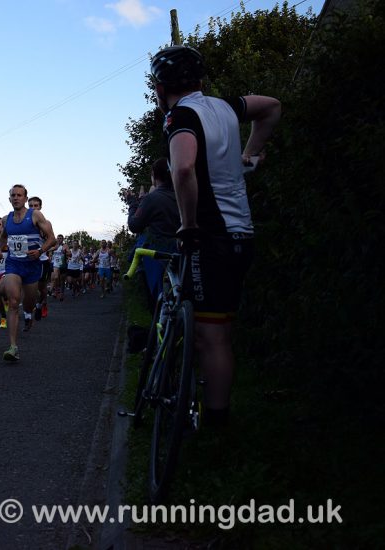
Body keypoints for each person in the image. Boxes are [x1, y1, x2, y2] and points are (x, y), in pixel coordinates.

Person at [150, 45, 281, 425]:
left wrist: (188, 224)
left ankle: (217, 425)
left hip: (210, 236)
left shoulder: (180, 116)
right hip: (242, 233)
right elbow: (271, 106)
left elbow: (183, 168)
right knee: (219, 328)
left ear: (159, 88)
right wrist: (249, 155)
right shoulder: (225, 107)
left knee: (211, 336)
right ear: (200, 80)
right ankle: (212, 412)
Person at [0, 184, 56, 361]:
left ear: (25, 198)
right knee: (14, 302)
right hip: (14, 264)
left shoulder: (35, 215)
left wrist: (40, 251)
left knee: (28, 303)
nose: (16, 198)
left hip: (32, 265)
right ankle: (13, 347)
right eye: (13, 195)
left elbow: (52, 239)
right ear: (9, 199)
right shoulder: (7, 219)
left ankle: (30, 311)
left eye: (19, 195)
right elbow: (4, 236)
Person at [126, 157, 181, 306]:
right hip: (182, 251)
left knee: (159, 300)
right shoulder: (183, 196)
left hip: (159, 255)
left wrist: (133, 203)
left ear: (154, 176)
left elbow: (134, 225)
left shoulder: (152, 199)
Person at [27, 196, 52, 319]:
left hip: (42, 260)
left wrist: (42, 250)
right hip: (28, 260)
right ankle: (34, 306)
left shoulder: (46, 223)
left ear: (40, 207)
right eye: (30, 206)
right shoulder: (25, 222)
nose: (33, 208)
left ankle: (42, 304)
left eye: (35, 206)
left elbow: (53, 242)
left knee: (41, 289)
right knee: (30, 288)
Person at [50, 234, 66, 301]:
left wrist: (65, 252)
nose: (59, 239)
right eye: (58, 238)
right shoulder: (54, 246)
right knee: (55, 278)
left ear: (63, 239)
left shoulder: (64, 246)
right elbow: (49, 251)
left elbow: (69, 253)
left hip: (62, 265)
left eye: (60, 238)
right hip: (54, 264)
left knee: (62, 280)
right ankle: (55, 290)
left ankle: (61, 293)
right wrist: (51, 254)